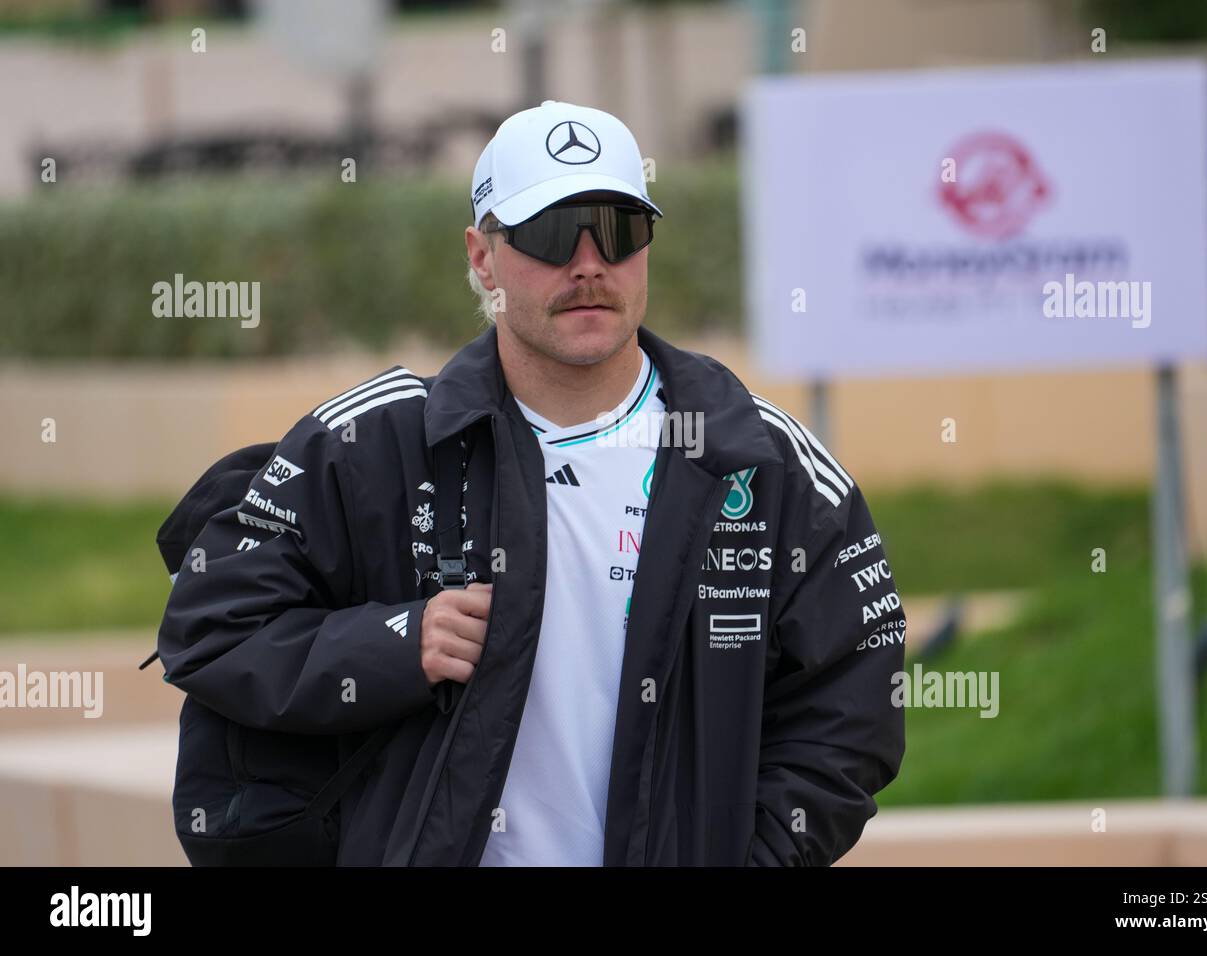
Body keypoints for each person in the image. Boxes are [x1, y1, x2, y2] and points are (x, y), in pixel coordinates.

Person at [158, 99, 907, 866]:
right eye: (551, 233)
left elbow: (853, 703)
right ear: (481, 257)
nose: (589, 264)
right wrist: (395, 643)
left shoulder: (763, 461)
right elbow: (211, 625)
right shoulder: (369, 443)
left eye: (619, 230)